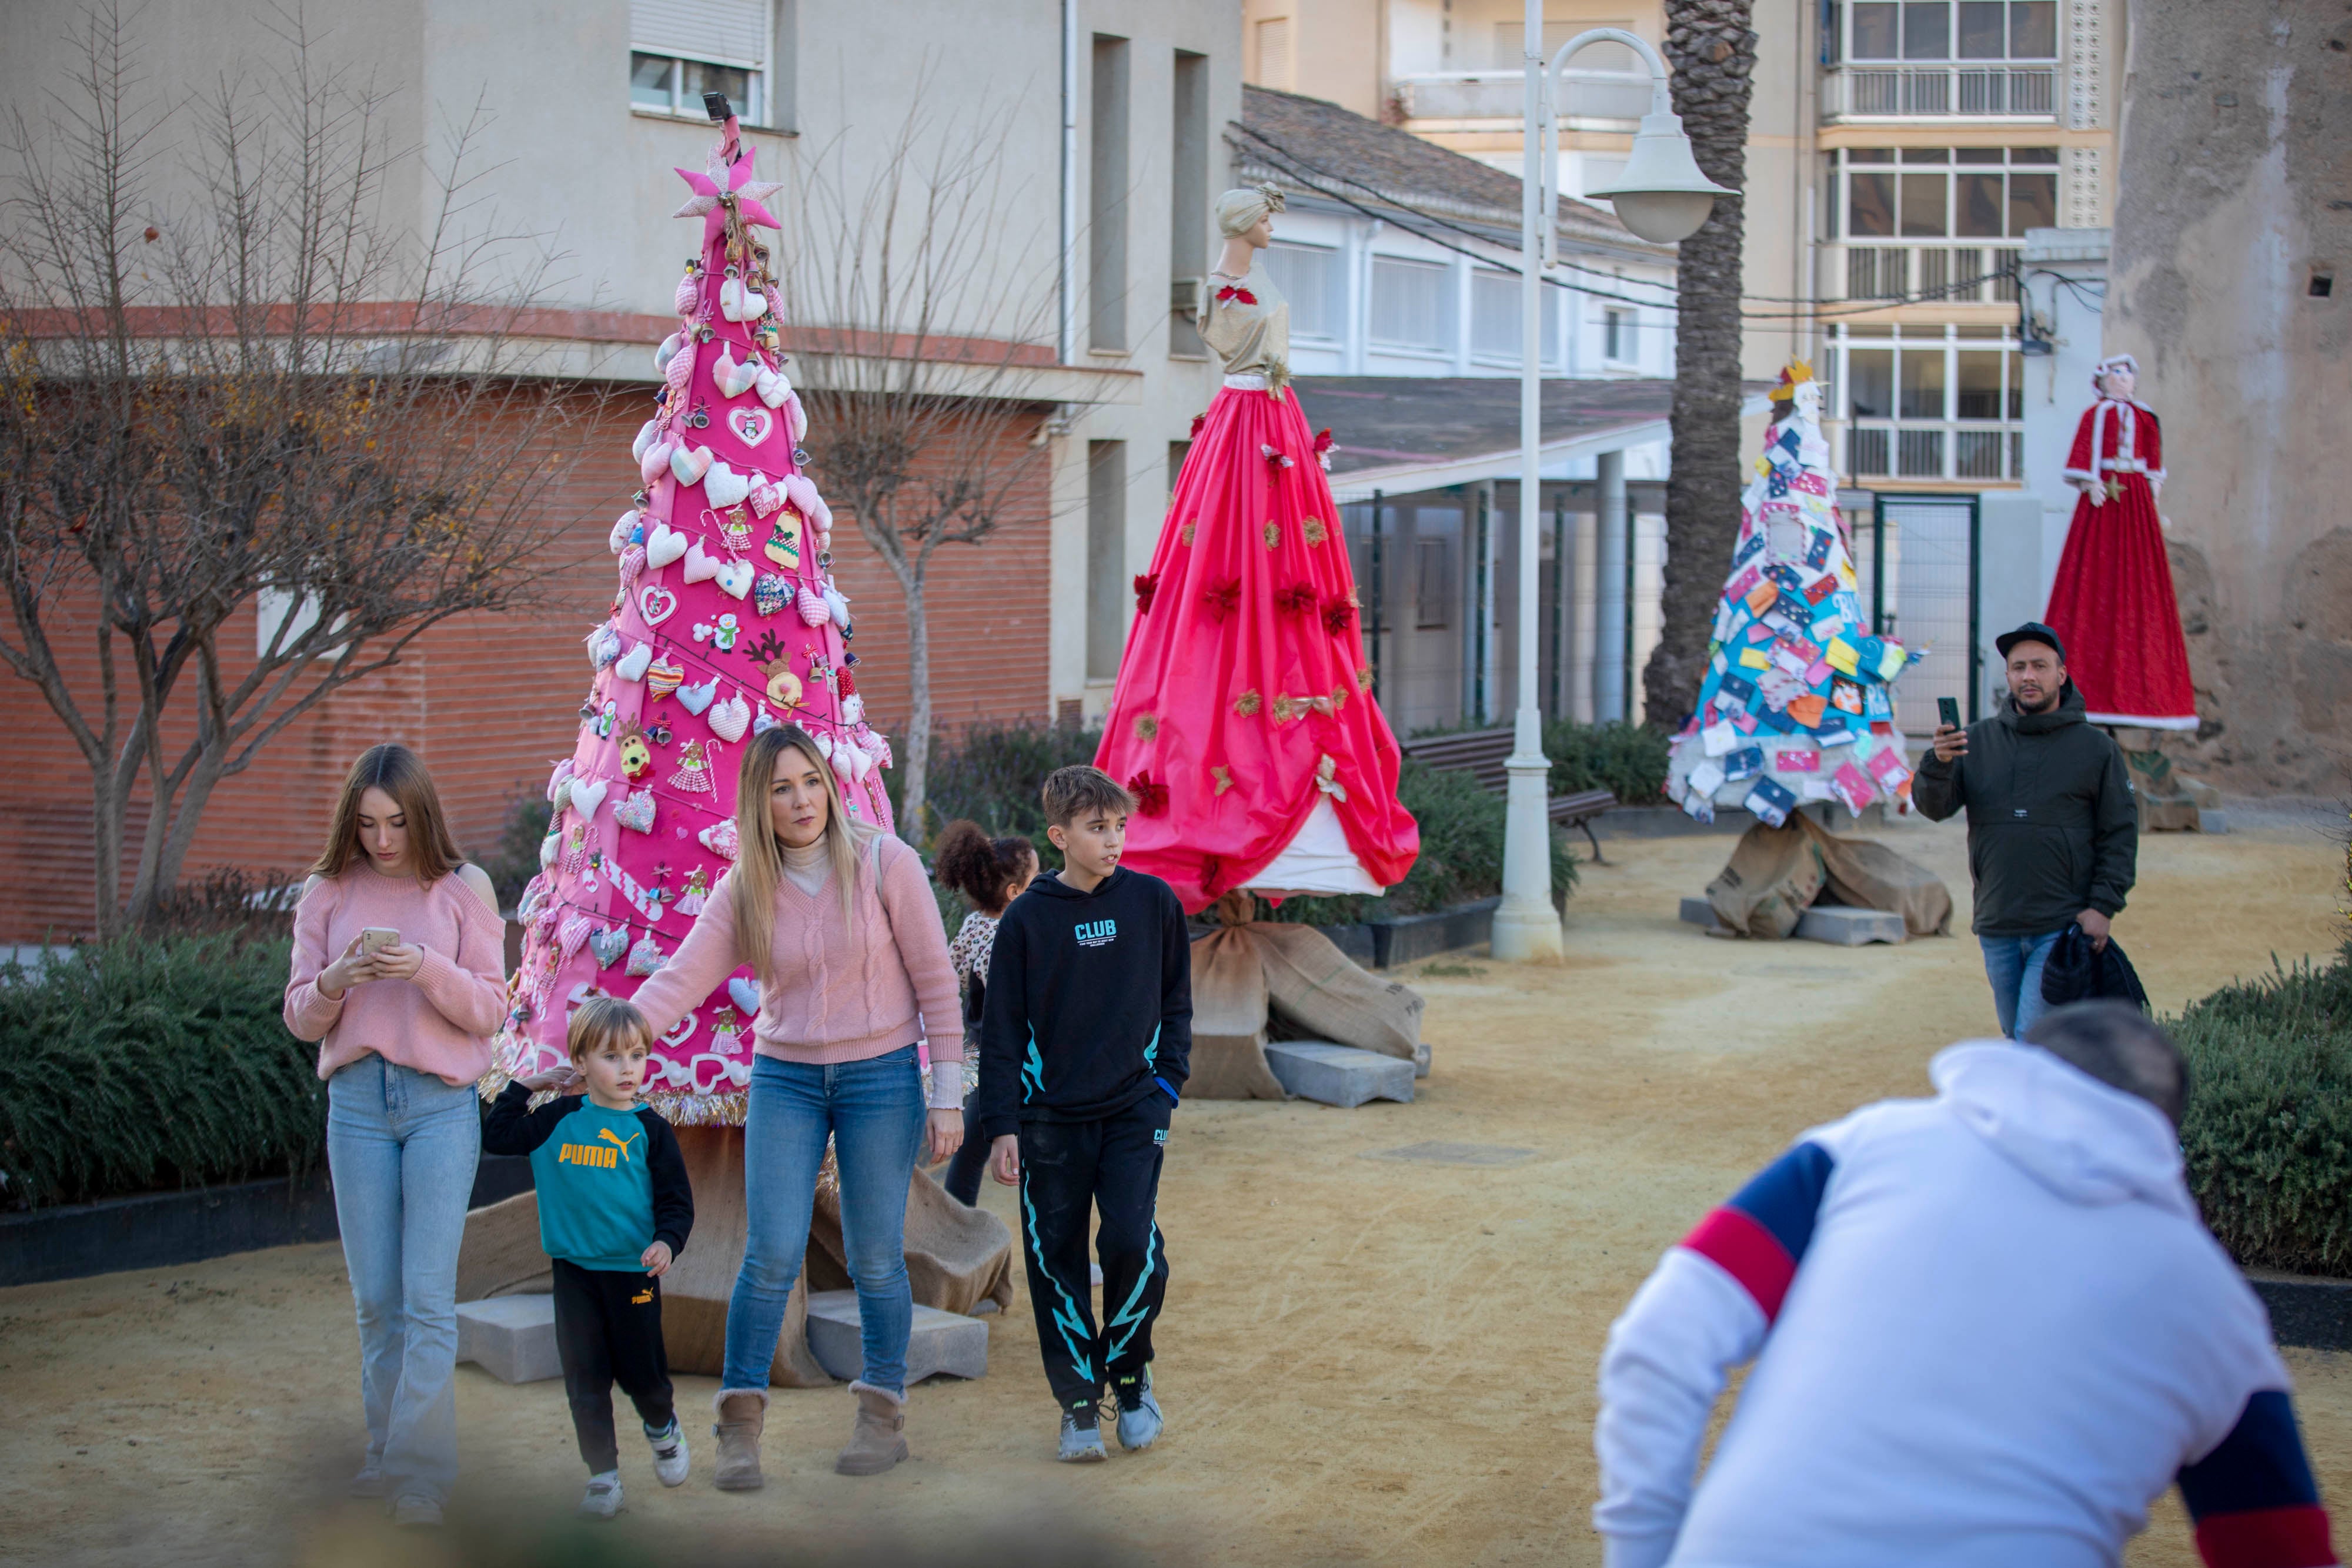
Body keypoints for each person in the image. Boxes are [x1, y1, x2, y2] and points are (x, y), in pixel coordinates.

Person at [1593, 1003, 2336, 1568]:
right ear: (2164, 1131)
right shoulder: (2211, 1301)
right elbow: (2279, 1544)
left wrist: (1645, 1553)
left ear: (2021, 1068)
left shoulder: (1863, 1149)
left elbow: (1657, 1341)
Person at [629, 723, 965, 1489]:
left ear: (830, 784)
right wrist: (610, 1036)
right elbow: (680, 979)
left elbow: (937, 981)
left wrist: (947, 1096)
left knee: (876, 1255)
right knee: (771, 1253)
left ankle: (882, 1414)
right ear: (760, 801)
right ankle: (739, 1426)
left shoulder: (884, 861)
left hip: (881, 1075)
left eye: (811, 780)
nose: (802, 799)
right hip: (785, 1078)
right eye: (782, 788)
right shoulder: (745, 887)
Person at [283, 743, 509, 1527]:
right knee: (377, 1301)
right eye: (369, 822)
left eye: (398, 822)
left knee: (427, 1299)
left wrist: (420, 967)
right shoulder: (325, 891)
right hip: (355, 1106)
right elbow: (299, 1015)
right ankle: (383, 1453)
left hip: (439, 1105)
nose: (383, 839)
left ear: (422, 815)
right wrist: (337, 979)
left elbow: (490, 1009)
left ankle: (420, 1474)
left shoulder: (464, 886)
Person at [978, 765, 1192, 1462]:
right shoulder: (1026, 920)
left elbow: (1177, 1001)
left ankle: (1129, 1379)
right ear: (1060, 836)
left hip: (1135, 1109)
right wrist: (1002, 1125)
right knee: (1055, 1261)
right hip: (1048, 1121)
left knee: (1132, 1243)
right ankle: (1077, 1404)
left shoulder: (1153, 903)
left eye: (1120, 826)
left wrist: (1167, 1086)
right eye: (1097, 828)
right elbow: (1001, 1030)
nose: (1113, 840)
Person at [483, 998, 694, 1520]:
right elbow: (498, 1135)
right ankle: (603, 1477)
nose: (627, 1068)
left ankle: (662, 1426)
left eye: (637, 1055)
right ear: (580, 1061)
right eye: (611, 1056)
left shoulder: (651, 1129)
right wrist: (526, 1085)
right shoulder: (557, 1119)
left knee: (642, 1375)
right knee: (585, 1377)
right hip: (574, 1274)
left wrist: (667, 1242)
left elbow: (677, 1203)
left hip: (633, 1275)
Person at [1913, 621, 2137, 1039]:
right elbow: (1934, 808)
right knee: (2018, 1036)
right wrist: (1938, 763)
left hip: (2061, 924)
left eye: (2039, 666)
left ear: (2061, 675)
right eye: (2019, 668)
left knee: (2031, 1038)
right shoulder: (1974, 741)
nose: (2028, 676)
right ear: (2009, 676)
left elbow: (2120, 834)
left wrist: (2103, 907)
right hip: (1997, 922)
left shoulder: (2097, 749)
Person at [931, 821, 1040, 1206]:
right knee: (1000, 1144)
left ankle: (956, 1221)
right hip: (1006, 1058)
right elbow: (1013, 1000)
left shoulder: (975, 923)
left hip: (977, 1049)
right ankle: (957, 1225)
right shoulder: (1010, 935)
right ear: (1015, 892)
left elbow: (955, 971)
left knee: (973, 1148)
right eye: (1037, 877)